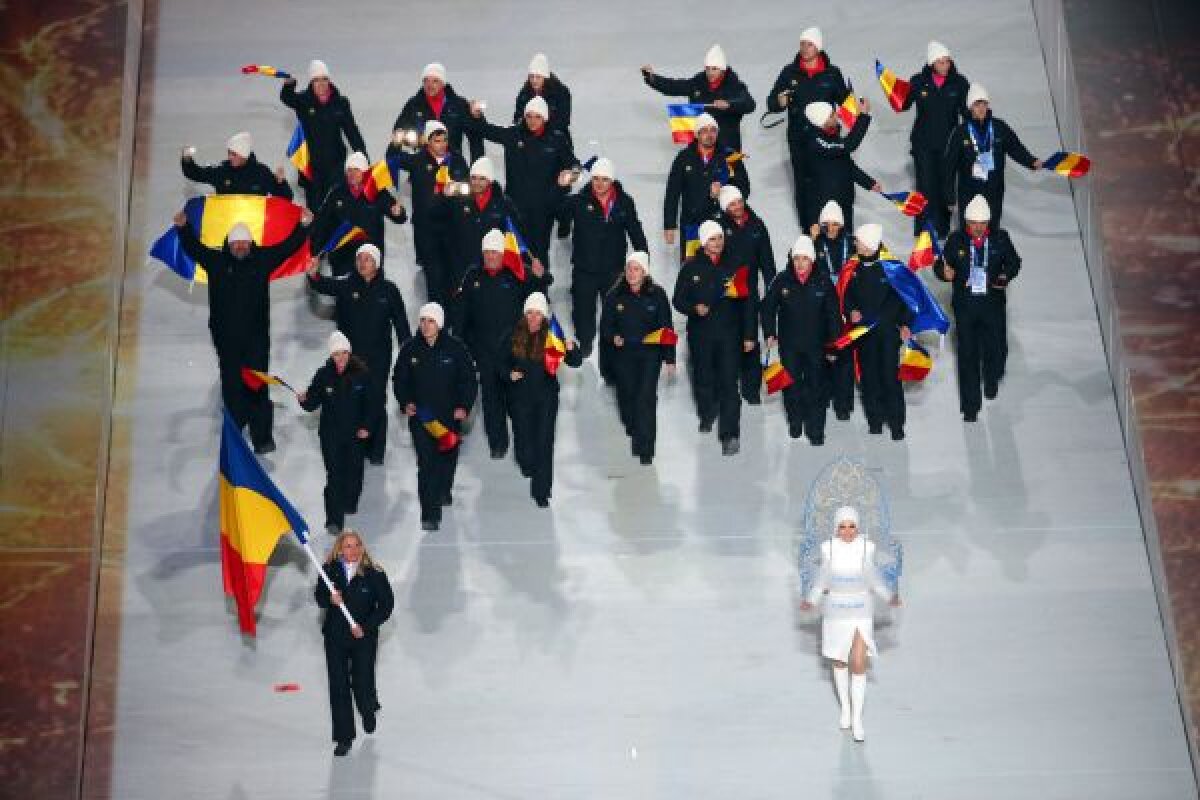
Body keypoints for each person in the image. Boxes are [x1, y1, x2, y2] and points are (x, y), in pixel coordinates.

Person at [172, 207, 312, 454]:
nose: (240, 246)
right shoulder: (215, 261)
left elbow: (288, 247)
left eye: (244, 242)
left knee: (257, 385)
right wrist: (183, 228)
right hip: (226, 340)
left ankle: (262, 438)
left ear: (250, 243)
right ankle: (235, 434)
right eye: (235, 243)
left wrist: (304, 226)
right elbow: (194, 248)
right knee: (232, 385)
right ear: (229, 244)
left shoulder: (263, 259)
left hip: (257, 339)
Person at [799, 506, 900, 743]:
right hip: (835, 612)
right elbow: (822, 578)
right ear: (836, 527)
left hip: (860, 612)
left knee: (858, 661)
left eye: (851, 525)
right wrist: (811, 600)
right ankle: (845, 707)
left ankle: (857, 719)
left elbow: (873, 578)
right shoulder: (828, 548)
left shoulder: (867, 547)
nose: (847, 531)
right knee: (838, 660)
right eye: (842, 526)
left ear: (858, 526)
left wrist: (889, 596)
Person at [306, 244, 411, 463]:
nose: (362, 263)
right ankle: (356, 447)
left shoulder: (389, 290)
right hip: (350, 360)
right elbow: (323, 285)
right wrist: (314, 274)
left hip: (379, 358)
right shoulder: (346, 285)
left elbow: (401, 324)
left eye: (368, 259)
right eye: (359, 259)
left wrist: (407, 351)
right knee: (353, 401)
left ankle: (376, 451)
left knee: (376, 401)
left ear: (377, 264)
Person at [454, 230, 549, 459]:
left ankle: (524, 445)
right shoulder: (472, 277)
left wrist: (539, 278)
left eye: (495, 252)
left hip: (515, 350)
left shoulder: (518, 273)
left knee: (518, 399)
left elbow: (537, 303)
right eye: (486, 252)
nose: (490, 257)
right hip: (483, 349)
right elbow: (461, 313)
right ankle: (497, 443)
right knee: (491, 398)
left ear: (503, 253)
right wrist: (460, 342)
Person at [672, 220, 757, 455]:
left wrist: (749, 334)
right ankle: (707, 413)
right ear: (703, 242)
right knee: (704, 378)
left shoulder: (736, 265)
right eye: (712, 239)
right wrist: (694, 307)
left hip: (730, 334)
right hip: (701, 335)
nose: (717, 242)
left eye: (719, 237)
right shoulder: (690, 267)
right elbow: (677, 300)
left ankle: (730, 434)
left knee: (730, 384)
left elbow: (749, 302)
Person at [392, 303, 478, 532]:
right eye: (422, 320)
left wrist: (464, 406)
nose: (425, 325)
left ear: (439, 324)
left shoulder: (455, 348)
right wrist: (405, 401)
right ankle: (429, 514)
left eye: (430, 321)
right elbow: (399, 379)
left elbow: (469, 379)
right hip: (423, 416)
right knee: (427, 463)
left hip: (448, 416)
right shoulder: (410, 349)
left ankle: (443, 490)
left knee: (446, 460)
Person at [935, 195, 1021, 421]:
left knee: (996, 350)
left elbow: (1015, 262)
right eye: (973, 223)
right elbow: (939, 263)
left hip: (992, 304)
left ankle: (991, 378)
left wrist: (1005, 275)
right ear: (966, 222)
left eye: (982, 224)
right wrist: (943, 273)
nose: (978, 228)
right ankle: (970, 406)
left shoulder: (1001, 239)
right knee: (967, 354)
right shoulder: (955, 241)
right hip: (966, 307)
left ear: (989, 223)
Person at [556, 157, 648, 368]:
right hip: (584, 270)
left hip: (613, 271)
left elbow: (635, 230)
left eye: (604, 179)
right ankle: (586, 345)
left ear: (612, 181)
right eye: (596, 178)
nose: (599, 183)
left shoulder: (624, 202)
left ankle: (613, 356)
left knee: (616, 315)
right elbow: (558, 212)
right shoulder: (579, 201)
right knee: (583, 318)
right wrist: (561, 188)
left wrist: (644, 259)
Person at [468, 95, 579, 271]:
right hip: (515, 208)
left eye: (537, 117)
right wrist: (476, 116)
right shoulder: (513, 134)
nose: (532, 121)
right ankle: (518, 293)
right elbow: (486, 130)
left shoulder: (557, 139)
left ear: (545, 118)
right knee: (515, 250)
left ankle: (540, 292)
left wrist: (571, 174)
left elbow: (574, 164)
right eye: (529, 116)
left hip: (543, 208)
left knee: (540, 252)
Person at [314, 529, 394, 756]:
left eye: (357, 545)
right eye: (348, 545)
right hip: (336, 637)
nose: (353, 549)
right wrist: (329, 598)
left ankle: (368, 710)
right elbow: (319, 597)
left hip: (363, 639)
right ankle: (344, 737)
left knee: (362, 682)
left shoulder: (375, 574)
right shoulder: (328, 571)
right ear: (339, 549)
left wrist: (366, 627)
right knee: (338, 685)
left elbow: (386, 606)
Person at [761, 236, 842, 444]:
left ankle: (816, 430)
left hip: (817, 346)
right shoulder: (781, 280)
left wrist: (833, 346)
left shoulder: (823, 281)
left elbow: (833, 315)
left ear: (812, 260)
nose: (800, 263)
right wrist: (770, 332)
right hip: (790, 347)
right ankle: (795, 421)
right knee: (792, 387)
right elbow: (767, 308)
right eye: (796, 258)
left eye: (804, 258)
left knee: (817, 387)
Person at [766, 27, 849, 225]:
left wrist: (857, 110)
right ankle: (808, 228)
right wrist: (780, 102)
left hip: (827, 138)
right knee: (803, 183)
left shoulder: (832, 73)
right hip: (800, 140)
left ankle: (832, 227)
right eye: (802, 43)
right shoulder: (789, 72)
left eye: (809, 44)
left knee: (829, 181)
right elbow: (771, 103)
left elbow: (846, 103)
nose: (804, 48)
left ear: (818, 47)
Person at [506, 292, 583, 506]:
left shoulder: (553, 336)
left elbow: (575, 362)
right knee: (524, 444)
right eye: (529, 313)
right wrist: (508, 374)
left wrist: (572, 349)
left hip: (546, 398)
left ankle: (542, 491)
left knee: (544, 443)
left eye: (537, 313)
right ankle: (527, 463)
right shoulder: (512, 334)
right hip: (520, 399)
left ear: (544, 316)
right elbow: (499, 363)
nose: (533, 317)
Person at [601, 251, 677, 464]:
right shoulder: (614, 296)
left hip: (649, 355)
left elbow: (666, 328)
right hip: (623, 355)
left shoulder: (657, 295)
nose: (632, 273)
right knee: (627, 395)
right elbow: (606, 327)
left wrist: (670, 359)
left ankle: (646, 449)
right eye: (629, 269)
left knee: (645, 397)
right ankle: (633, 425)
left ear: (644, 272)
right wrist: (613, 337)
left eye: (636, 269)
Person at [385, 120, 469, 306]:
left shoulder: (457, 160)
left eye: (444, 139)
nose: (442, 144)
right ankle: (436, 318)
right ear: (428, 142)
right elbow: (392, 159)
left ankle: (452, 322)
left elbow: (468, 189)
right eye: (437, 140)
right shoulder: (417, 161)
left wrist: (453, 190)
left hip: (452, 229)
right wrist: (396, 141)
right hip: (427, 231)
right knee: (434, 277)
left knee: (454, 278)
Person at [841, 223, 913, 440]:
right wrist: (851, 310)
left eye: (859, 241)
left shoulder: (893, 268)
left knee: (890, 378)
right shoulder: (852, 268)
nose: (855, 243)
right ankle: (875, 420)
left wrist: (906, 324)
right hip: (865, 336)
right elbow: (846, 296)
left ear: (870, 244)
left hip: (889, 336)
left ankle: (896, 423)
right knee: (869, 378)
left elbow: (908, 299)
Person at [434, 157, 538, 298]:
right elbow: (434, 217)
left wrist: (530, 260)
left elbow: (517, 234)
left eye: (482, 178)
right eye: (474, 178)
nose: (476, 182)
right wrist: (443, 197)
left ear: (490, 180)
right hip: (459, 267)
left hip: (490, 271)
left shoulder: (503, 204)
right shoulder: (457, 199)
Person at [298, 332, 370, 533]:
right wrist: (304, 400)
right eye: (336, 354)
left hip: (356, 434)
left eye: (344, 353)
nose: (341, 358)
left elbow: (371, 405)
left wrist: (367, 426)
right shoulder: (323, 375)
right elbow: (312, 402)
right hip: (331, 434)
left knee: (354, 470)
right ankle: (334, 519)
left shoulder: (362, 374)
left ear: (349, 353)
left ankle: (349, 500)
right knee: (334, 474)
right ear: (331, 355)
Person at [944, 84, 1041, 229]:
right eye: (977, 104)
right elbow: (949, 166)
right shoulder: (960, 132)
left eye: (984, 103)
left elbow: (1015, 148)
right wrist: (949, 197)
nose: (981, 108)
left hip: (994, 189)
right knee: (968, 230)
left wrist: (1031, 161)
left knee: (992, 228)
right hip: (968, 190)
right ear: (970, 107)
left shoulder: (999, 127)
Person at [898, 41, 970, 237]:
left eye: (947, 61)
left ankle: (942, 230)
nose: (945, 65)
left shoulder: (960, 83)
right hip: (923, 144)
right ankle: (924, 231)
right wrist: (892, 89)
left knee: (945, 187)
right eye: (940, 62)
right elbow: (903, 105)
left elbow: (967, 114)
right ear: (931, 63)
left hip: (949, 145)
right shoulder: (918, 81)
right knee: (925, 187)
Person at [280, 60, 368, 211]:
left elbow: (352, 131)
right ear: (311, 82)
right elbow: (287, 98)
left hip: (336, 166)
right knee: (315, 210)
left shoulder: (340, 102)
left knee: (337, 208)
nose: (321, 83)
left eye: (324, 79)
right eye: (316, 80)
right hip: (312, 168)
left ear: (329, 80)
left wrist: (362, 157)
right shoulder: (303, 101)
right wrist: (289, 84)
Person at [663, 113, 750, 263]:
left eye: (713, 130)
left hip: (722, 224)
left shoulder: (729, 157)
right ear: (697, 134)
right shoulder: (683, 158)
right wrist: (669, 224)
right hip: (692, 225)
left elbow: (744, 188)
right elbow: (672, 193)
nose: (709, 134)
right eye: (704, 130)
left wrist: (724, 191)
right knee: (692, 271)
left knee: (724, 271)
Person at [718, 185, 776, 404]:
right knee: (727, 339)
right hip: (725, 293)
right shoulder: (718, 226)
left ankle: (751, 389)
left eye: (739, 201)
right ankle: (727, 387)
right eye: (732, 204)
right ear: (725, 207)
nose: (738, 207)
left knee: (750, 338)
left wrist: (772, 290)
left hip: (749, 292)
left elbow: (767, 262)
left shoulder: (757, 225)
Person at [309, 152, 407, 278]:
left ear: (365, 172)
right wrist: (316, 253)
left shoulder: (377, 192)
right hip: (342, 257)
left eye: (357, 169)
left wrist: (399, 213)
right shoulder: (336, 193)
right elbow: (323, 224)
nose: (352, 174)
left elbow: (399, 217)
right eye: (349, 170)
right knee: (344, 295)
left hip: (370, 258)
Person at [641, 44, 756, 150]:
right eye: (707, 68)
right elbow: (674, 86)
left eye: (714, 68)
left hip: (726, 147)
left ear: (723, 69)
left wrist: (729, 105)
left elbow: (749, 104)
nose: (710, 72)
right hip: (699, 147)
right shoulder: (698, 82)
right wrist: (653, 78)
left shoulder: (734, 85)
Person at [803, 98, 882, 232]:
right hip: (826, 205)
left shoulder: (832, 136)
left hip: (844, 199)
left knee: (847, 240)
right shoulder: (815, 142)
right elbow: (850, 145)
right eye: (832, 115)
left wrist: (869, 183)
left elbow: (847, 166)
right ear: (821, 121)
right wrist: (863, 116)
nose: (837, 115)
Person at [812, 201, 856, 420]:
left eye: (835, 223)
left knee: (845, 357)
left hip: (848, 306)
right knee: (824, 353)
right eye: (826, 224)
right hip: (822, 308)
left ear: (842, 224)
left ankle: (844, 403)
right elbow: (794, 260)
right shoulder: (815, 244)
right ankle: (825, 396)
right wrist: (809, 239)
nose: (831, 228)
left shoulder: (852, 242)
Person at [393, 62, 484, 164]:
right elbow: (398, 132)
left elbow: (475, 137)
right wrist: (417, 141)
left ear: (443, 83)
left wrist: (477, 169)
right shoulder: (414, 104)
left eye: (435, 81)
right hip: (422, 165)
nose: (429, 85)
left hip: (453, 166)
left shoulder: (459, 104)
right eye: (426, 80)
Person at [180, 131, 292, 198]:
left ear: (244, 154)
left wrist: (281, 183)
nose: (229, 157)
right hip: (226, 224)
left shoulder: (261, 172)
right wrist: (187, 159)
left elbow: (286, 198)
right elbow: (195, 174)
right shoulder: (221, 170)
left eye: (234, 154)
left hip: (253, 226)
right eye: (229, 153)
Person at [513, 53, 573, 146]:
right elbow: (518, 118)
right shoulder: (524, 94)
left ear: (545, 77)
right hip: (531, 142)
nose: (534, 80)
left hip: (556, 143)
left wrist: (544, 135)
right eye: (531, 76)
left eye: (538, 77)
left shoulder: (561, 92)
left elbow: (563, 121)